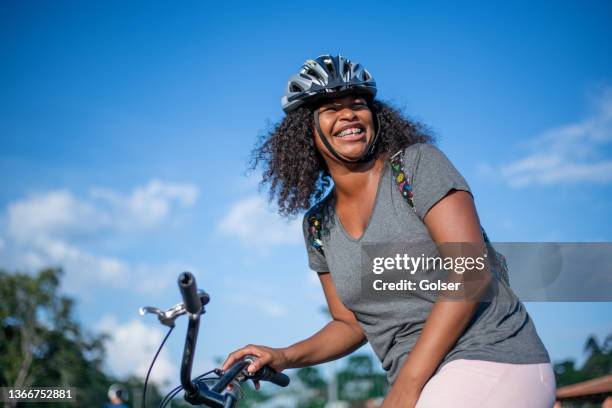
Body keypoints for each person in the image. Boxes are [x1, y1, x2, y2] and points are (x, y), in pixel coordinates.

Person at [222, 54, 556, 407]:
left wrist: (408, 385)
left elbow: (469, 270)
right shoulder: (318, 225)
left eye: (358, 104)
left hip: (493, 355)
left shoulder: (415, 167)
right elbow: (349, 325)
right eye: (331, 109)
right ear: (307, 132)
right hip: (423, 381)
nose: (349, 114)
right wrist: (283, 355)